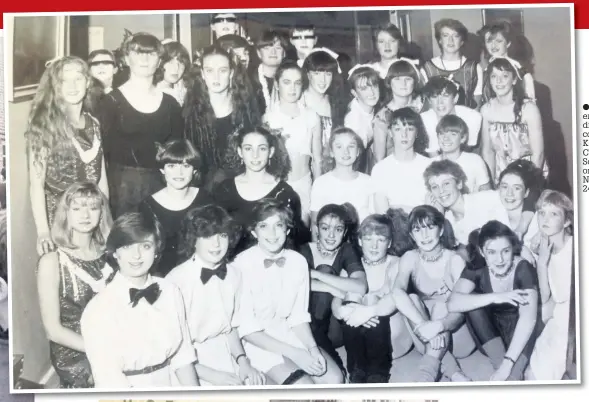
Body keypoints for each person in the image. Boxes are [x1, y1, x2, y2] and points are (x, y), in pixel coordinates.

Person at [81, 212, 199, 388]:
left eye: (145, 246)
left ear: (157, 250)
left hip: (173, 386)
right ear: (114, 253)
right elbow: (109, 380)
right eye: (127, 246)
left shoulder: (170, 291)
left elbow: (183, 357)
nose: (136, 256)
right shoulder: (99, 309)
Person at [234, 199, 344, 385]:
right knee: (304, 387)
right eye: (264, 226)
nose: (272, 233)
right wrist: (297, 354)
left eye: (278, 225)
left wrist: (312, 349)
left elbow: (298, 317)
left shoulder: (298, 262)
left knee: (335, 379)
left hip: (288, 334)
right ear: (254, 232)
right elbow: (247, 331)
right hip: (257, 344)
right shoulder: (240, 265)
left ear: (287, 229)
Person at [167, 205, 267, 386]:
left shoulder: (234, 274)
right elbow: (172, 348)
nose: (216, 244)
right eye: (207, 236)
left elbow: (231, 328)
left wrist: (243, 362)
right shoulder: (176, 281)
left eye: (222, 235)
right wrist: (213, 375)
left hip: (226, 354)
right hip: (189, 365)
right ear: (193, 240)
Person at [26, 56, 108, 255]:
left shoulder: (93, 124)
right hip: (61, 219)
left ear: (87, 82)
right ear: (56, 86)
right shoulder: (45, 126)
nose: (72, 86)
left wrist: (106, 222)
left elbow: (102, 178)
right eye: (64, 80)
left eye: (78, 79)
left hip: (92, 214)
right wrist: (43, 232)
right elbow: (36, 185)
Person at [98, 33, 184, 218]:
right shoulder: (110, 102)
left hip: (162, 188)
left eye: (151, 54)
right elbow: (101, 159)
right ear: (126, 59)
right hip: (122, 193)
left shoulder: (170, 104)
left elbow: (177, 151)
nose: (145, 59)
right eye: (138, 53)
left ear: (160, 60)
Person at [36, 182, 113, 388]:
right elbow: (53, 330)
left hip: (112, 339)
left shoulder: (110, 255)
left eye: (93, 207)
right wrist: (105, 350)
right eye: (77, 208)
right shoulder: (52, 261)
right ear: (65, 214)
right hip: (75, 353)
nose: (85, 215)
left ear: (101, 213)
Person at [448, 220, 541, 381]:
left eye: (505, 251)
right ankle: (500, 364)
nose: (499, 259)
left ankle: (512, 374)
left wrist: (508, 363)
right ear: (482, 252)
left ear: (513, 249)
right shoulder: (476, 267)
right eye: (491, 252)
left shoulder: (523, 268)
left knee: (532, 318)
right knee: (472, 302)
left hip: (521, 335)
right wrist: (495, 297)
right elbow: (452, 303)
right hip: (491, 337)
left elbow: (528, 319)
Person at [392, 205, 475, 382]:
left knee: (441, 306)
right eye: (418, 229)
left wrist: (438, 326)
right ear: (412, 235)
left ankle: (425, 376)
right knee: (411, 298)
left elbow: (460, 311)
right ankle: (455, 374)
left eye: (430, 227)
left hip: (457, 335)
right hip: (426, 334)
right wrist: (424, 325)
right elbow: (397, 292)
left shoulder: (454, 259)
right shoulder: (410, 257)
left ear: (441, 229)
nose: (425, 235)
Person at [332, 210, 414, 383]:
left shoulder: (396, 262)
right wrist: (341, 310)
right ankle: (357, 369)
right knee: (352, 295)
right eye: (369, 239)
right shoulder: (353, 265)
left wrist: (362, 311)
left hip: (393, 340)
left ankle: (379, 371)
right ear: (360, 241)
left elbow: (389, 296)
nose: (374, 246)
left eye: (381, 240)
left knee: (370, 298)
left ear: (389, 242)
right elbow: (336, 298)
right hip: (358, 339)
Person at [298, 204, 368, 375]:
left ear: (344, 232)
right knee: (325, 270)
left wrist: (316, 275)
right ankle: (333, 360)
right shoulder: (303, 250)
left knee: (324, 271)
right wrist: (331, 288)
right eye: (325, 228)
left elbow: (361, 286)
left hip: (334, 329)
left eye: (338, 229)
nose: (331, 235)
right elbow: (292, 285)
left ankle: (345, 362)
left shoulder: (347, 250)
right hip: (305, 328)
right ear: (316, 229)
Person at [214, 126, 306, 252]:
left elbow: (293, 243)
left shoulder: (285, 193)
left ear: (271, 152)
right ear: (240, 152)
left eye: (262, 148)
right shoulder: (225, 190)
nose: (255, 155)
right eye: (248, 148)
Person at [184, 44, 261, 191]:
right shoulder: (191, 111)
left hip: (243, 185)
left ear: (231, 73)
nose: (216, 77)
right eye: (210, 71)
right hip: (204, 189)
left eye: (223, 70)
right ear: (202, 74)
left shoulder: (245, 107)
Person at [138, 140, 214, 277]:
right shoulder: (148, 206)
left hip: (201, 273)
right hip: (163, 276)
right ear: (162, 169)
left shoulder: (205, 199)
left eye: (186, 166)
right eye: (171, 165)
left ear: (195, 169)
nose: (179, 172)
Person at [263, 61, 323, 225]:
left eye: (297, 83)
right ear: (276, 84)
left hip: (304, 183)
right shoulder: (269, 118)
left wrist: (317, 192)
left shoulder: (311, 116)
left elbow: (317, 159)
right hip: (277, 184)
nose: (292, 88)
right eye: (286, 82)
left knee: (303, 229)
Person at [525, 190, 574, 380]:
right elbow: (546, 296)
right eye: (542, 213)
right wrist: (542, 264)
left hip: (574, 317)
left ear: (567, 222)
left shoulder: (574, 247)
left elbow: (563, 295)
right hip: (559, 314)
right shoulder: (544, 250)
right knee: (533, 372)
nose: (545, 219)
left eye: (554, 214)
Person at [480, 57, 546, 182]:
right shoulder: (486, 110)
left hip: (528, 175)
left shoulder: (529, 109)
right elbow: (488, 151)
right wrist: (491, 183)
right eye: (494, 76)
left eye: (505, 76)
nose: (499, 81)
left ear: (514, 79)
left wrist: (529, 184)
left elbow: (538, 154)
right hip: (500, 177)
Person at [372, 107, 431, 215]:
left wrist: (396, 207)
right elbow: (382, 215)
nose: (404, 135)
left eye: (409, 129)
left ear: (417, 133)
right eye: (398, 129)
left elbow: (432, 211)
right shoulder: (380, 169)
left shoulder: (429, 166)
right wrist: (416, 210)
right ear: (390, 132)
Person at [310, 127, 374, 227]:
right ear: (331, 152)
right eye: (339, 147)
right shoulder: (321, 183)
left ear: (358, 151)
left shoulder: (368, 182)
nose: (346, 152)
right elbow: (315, 225)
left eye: (351, 146)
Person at [373, 58, 426, 161]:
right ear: (389, 83)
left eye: (408, 79)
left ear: (414, 82)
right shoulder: (382, 117)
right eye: (397, 79)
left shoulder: (424, 105)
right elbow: (379, 158)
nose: (403, 84)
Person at [423, 18, 483, 109]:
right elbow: (426, 105)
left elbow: (477, 106)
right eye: (446, 35)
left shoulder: (473, 68)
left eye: (456, 36)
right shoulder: (427, 68)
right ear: (440, 40)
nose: (450, 40)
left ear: (462, 41)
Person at [420, 76, 482, 156]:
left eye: (445, 95)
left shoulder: (472, 117)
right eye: (434, 97)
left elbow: (467, 151)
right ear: (429, 101)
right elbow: (433, 156)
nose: (440, 102)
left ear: (455, 98)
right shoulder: (424, 120)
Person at [477, 20, 535, 100]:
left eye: (499, 41)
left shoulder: (518, 66)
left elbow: (528, 82)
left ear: (508, 43)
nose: (493, 45)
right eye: (489, 41)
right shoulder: (484, 69)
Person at [301, 49, 347, 148]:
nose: (323, 80)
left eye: (328, 74)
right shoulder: (298, 101)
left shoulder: (336, 103)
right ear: (308, 74)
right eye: (317, 73)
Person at [433, 115, 491, 192]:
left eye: (453, 134)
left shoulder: (475, 161)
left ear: (463, 138)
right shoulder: (431, 163)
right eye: (442, 134)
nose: (446, 138)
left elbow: (486, 195)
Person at [155, 40, 191, 106]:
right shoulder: (154, 94)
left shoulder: (182, 89)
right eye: (170, 62)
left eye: (181, 62)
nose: (176, 68)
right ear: (159, 63)